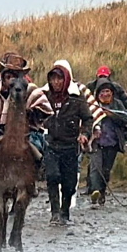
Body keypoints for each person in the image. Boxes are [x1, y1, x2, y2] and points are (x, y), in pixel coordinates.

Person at [41, 61, 93, 225]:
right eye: (53, 79)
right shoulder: (44, 96)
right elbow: (33, 113)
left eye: (59, 79)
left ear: (66, 80)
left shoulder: (76, 98)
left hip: (70, 146)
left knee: (69, 183)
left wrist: (84, 134)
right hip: (50, 144)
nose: (56, 82)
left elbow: (88, 119)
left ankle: (65, 212)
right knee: (52, 176)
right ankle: (55, 213)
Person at [0, 52, 52, 158]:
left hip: (26, 131)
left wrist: (30, 113)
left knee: (39, 151)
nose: (10, 80)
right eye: (8, 77)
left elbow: (45, 108)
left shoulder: (29, 89)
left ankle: (41, 166)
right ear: (3, 76)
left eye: (14, 77)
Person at [87, 79, 127, 206]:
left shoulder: (118, 105)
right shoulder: (93, 106)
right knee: (95, 168)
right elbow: (86, 121)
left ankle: (102, 192)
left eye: (107, 91)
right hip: (96, 143)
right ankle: (95, 191)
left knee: (106, 171)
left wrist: (112, 115)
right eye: (102, 92)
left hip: (112, 144)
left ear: (112, 93)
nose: (105, 94)